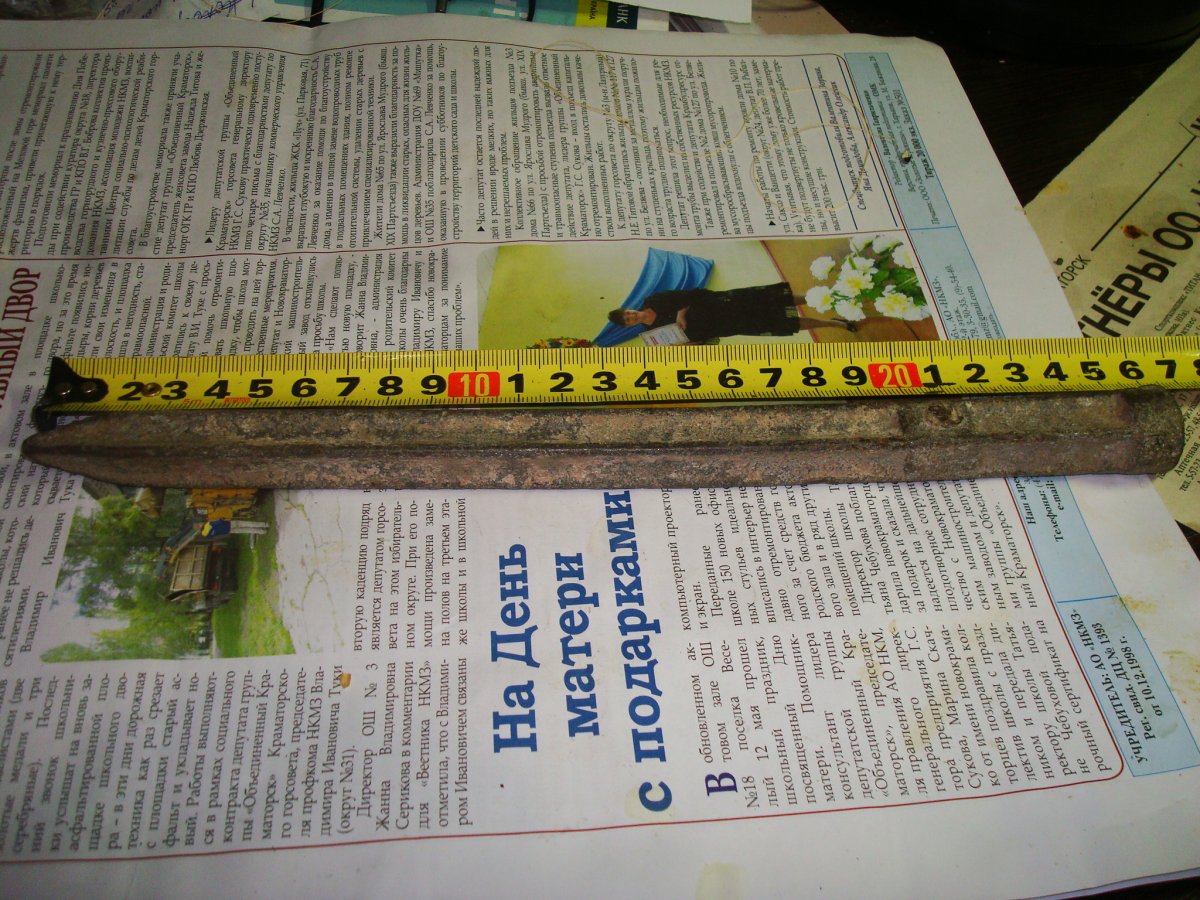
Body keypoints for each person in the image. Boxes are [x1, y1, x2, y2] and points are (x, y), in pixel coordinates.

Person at [607, 281, 854, 343]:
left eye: (628, 313)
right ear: (629, 326)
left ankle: (830, 299)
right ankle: (834, 323)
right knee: (785, 322)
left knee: (777, 298)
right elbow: (699, 340)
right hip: (728, 324)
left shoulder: (653, 300)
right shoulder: (654, 335)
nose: (631, 317)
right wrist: (684, 345)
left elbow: (689, 294)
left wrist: (681, 315)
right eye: (628, 321)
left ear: (630, 308)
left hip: (722, 303)